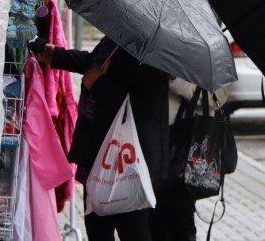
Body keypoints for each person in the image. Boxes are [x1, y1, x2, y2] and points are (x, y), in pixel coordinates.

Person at [30, 36, 169, 241]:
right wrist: (54, 54)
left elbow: (146, 107)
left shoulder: (151, 51)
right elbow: (93, 62)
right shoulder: (118, 38)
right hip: (97, 152)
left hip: (126, 159)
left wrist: (98, 83)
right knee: (97, 228)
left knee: (132, 230)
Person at [150, 77, 229, 241]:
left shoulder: (205, 55)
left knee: (180, 221)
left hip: (182, 151)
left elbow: (218, 97)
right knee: (150, 222)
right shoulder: (145, 53)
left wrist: (177, 81)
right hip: (147, 147)